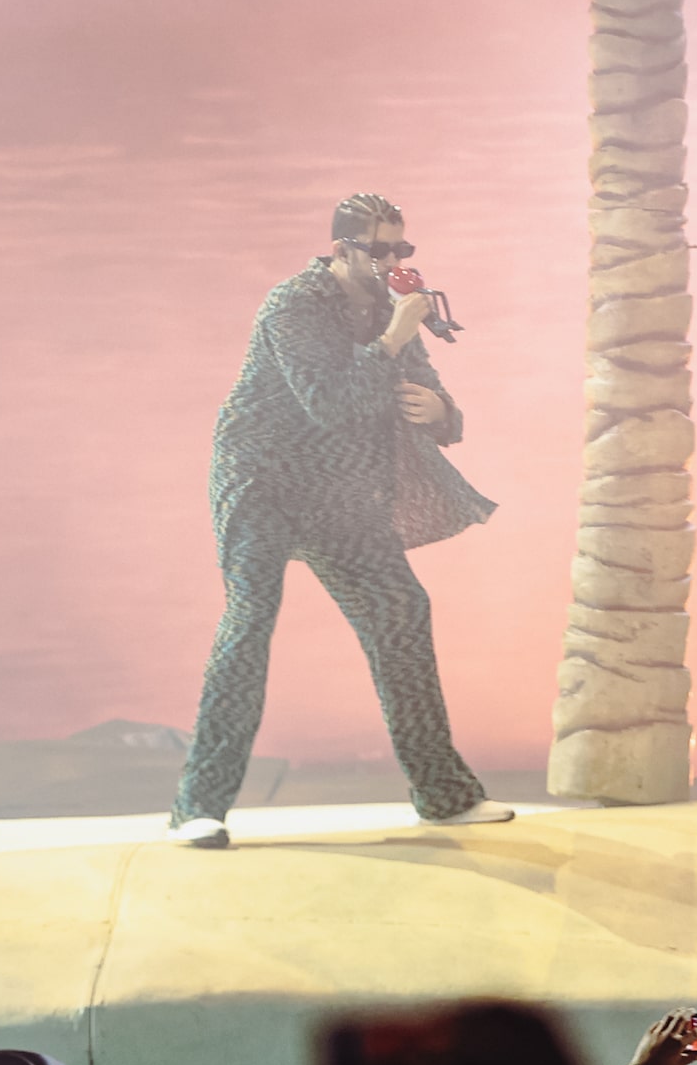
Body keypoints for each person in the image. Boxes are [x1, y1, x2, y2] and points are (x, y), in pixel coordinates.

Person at [170, 194, 511, 845]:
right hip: (261, 480)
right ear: (340, 250)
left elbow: (437, 400)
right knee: (249, 622)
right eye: (377, 251)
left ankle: (442, 794)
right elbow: (326, 401)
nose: (391, 263)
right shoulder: (293, 305)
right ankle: (196, 807)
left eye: (400, 251)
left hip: (339, 493)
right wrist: (389, 341)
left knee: (401, 611)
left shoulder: (393, 309)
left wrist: (438, 412)